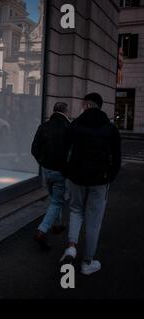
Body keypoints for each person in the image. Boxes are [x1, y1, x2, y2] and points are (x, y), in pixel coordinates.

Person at [60, 93, 121, 275]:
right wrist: (109, 176)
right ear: (99, 107)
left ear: (86, 105)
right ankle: (88, 262)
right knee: (94, 220)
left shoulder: (75, 125)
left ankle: (71, 247)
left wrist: (67, 172)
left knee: (76, 211)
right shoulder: (110, 129)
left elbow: (63, 152)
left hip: (76, 178)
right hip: (99, 180)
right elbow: (116, 158)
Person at [31, 102, 71, 250]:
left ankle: (57, 225)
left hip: (47, 170)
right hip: (61, 171)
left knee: (54, 198)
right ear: (66, 111)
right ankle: (42, 230)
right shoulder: (69, 127)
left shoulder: (44, 126)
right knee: (57, 201)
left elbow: (34, 148)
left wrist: (42, 162)